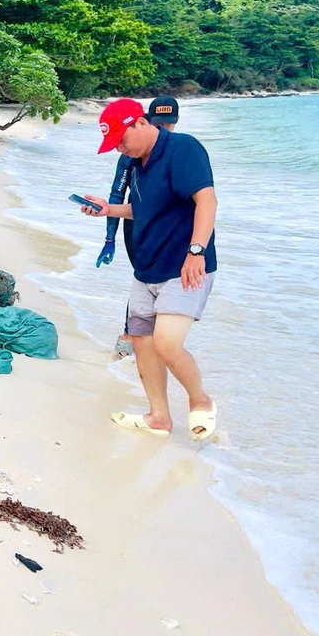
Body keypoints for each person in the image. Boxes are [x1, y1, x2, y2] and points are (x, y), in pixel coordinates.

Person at [79, 98, 218, 441]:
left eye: (121, 141)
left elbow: (207, 200)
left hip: (184, 266)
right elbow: (142, 210)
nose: (119, 150)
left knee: (167, 344)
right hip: (146, 268)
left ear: (140, 123)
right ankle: (159, 416)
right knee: (141, 342)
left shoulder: (183, 149)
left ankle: (201, 401)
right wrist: (108, 209)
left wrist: (196, 251)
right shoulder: (137, 162)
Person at [96, 96, 181, 358]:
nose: (165, 129)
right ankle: (129, 335)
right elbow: (116, 193)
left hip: (168, 229)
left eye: (170, 124)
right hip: (138, 225)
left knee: (167, 284)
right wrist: (110, 238)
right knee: (144, 280)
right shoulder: (131, 153)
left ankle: (156, 340)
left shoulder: (178, 150)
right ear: (146, 121)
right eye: (160, 123)